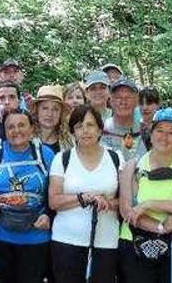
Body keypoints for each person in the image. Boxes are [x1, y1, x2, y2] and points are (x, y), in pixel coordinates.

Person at [0, 109, 55, 283]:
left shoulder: (46, 154)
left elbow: (55, 193)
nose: (17, 131)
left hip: (35, 236)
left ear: (32, 129)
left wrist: (48, 214)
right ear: (4, 131)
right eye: (11, 127)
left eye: (22, 125)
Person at [117, 108, 172, 283]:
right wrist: (161, 227)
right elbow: (127, 212)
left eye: (171, 132)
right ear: (151, 134)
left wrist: (147, 204)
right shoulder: (133, 167)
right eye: (160, 131)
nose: (165, 137)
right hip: (135, 242)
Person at [48, 105, 122, 283]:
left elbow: (126, 201)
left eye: (90, 125)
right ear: (73, 131)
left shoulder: (116, 158)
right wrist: (83, 198)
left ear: (100, 129)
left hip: (106, 241)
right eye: (79, 126)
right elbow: (53, 201)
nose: (85, 131)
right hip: (66, 240)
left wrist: (107, 202)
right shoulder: (62, 158)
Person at [102, 78, 146, 163]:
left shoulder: (145, 131)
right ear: (111, 101)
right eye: (118, 97)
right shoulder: (102, 130)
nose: (123, 102)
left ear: (137, 100)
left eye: (128, 97)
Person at [34, 85, 73, 153]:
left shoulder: (69, 142)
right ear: (37, 110)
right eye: (45, 108)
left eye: (55, 109)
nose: (50, 114)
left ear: (60, 113)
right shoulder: (26, 139)